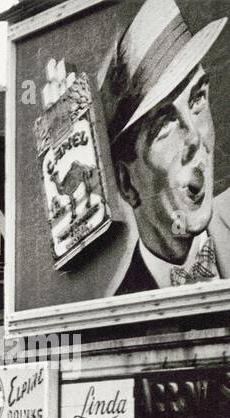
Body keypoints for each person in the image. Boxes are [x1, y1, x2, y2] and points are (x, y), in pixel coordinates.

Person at [103, 0, 230, 295]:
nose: (194, 137)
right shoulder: (121, 304)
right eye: (164, 126)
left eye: (197, 99)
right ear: (127, 183)